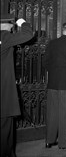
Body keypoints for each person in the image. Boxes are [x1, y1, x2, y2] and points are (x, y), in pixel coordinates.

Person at [1, 14, 33, 157]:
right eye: (11, 25)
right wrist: (22, 22)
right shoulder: (4, 36)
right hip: (3, 95)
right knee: (5, 131)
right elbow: (28, 34)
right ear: (7, 25)